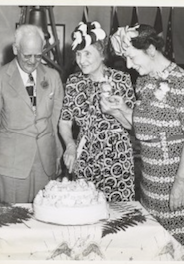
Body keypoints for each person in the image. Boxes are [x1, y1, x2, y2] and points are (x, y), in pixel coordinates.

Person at [108, 24, 184, 260]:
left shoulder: (182, 82)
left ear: (151, 49)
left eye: (131, 57)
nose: (129, 66)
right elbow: (143, 127)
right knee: (154, 249)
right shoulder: (143, 82)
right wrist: (120, 110)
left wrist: (180, 183)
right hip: (149, 185)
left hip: (176, 183)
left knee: (178, 250)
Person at [59, 21, 136, 202]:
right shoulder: (73, 81)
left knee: (119, 215)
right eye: (78, 54)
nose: (81, 60)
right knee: (86, 208)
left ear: (101, 55)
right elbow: (65, 121)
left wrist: (116, 111)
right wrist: (70, 146)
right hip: (85, 154)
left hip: (116, 155)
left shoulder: (121, 79)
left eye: (87, 53)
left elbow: (133, 125)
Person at [0, 24, 64, 204]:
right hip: (12, 163)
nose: (32, 61)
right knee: (14, 220)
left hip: (46, 162)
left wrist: (57, 156)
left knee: (46, 217)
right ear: (16, 49)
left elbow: (56, 121)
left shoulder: (53, 77)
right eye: (27, 55)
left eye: (38, 55)